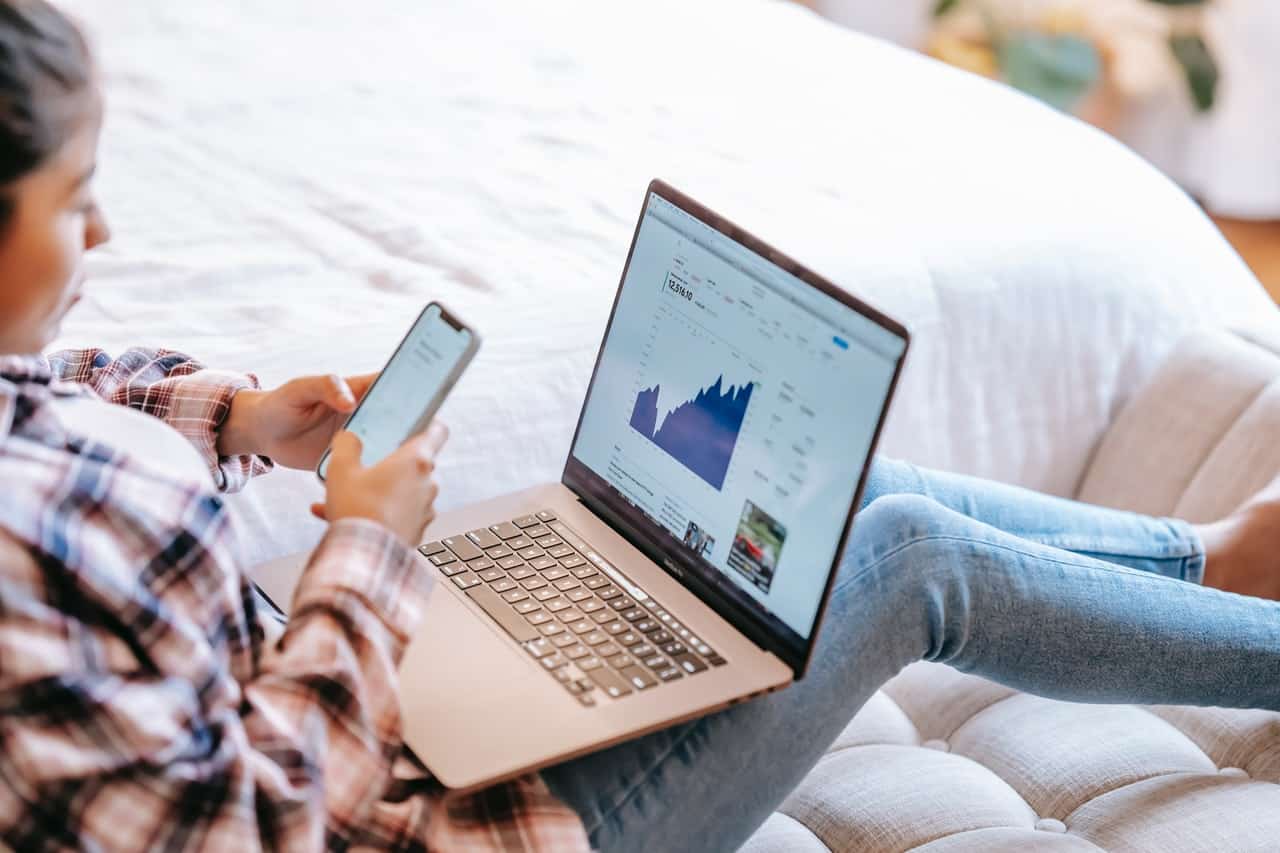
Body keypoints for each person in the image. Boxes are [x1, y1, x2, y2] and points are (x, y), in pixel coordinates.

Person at [0, 3, 1276, 851]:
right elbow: (247, 831)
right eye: (78, 200)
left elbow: (62, 377)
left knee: (830, 503)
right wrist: (369, 557)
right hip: (437, 826)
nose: (103, 238)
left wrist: (231, 411)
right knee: (903, 563)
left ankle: (1209, 561)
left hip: (348, 703)